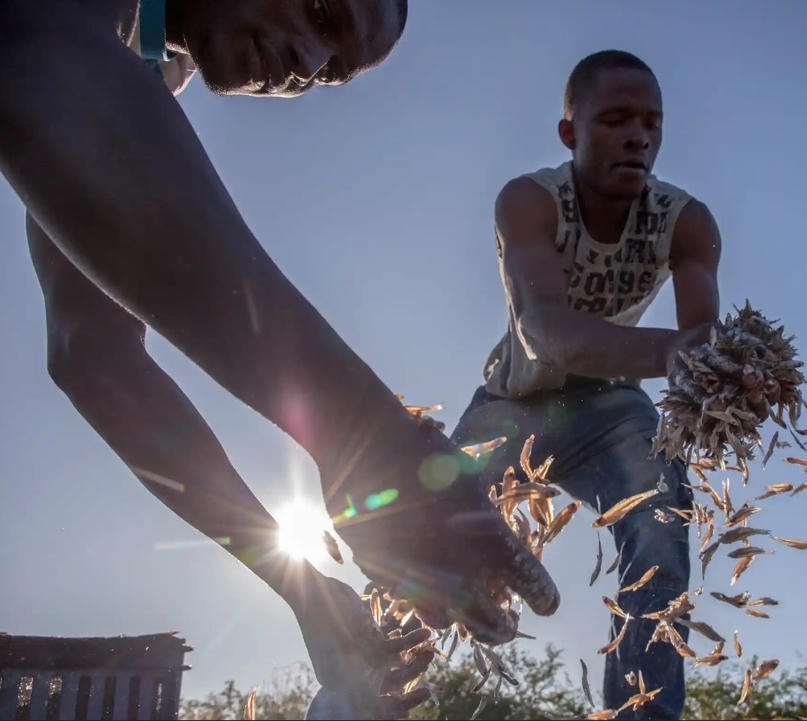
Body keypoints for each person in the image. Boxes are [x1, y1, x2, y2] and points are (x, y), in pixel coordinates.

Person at [0, 1, 558, 714]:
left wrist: (300, 586)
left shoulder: (139, 60)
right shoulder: (74, 40)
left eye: (335, 74)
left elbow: (91, 354)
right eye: (321, 10)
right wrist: (368, 436)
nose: (312, 64)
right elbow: (33, 45)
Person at [446, 49, 723, 719]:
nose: (639, 137)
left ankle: (642, 711)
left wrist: (724, 377)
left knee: (661, 530)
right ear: (570, 132)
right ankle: (363, 692)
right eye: (616, 120)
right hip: (515, 399)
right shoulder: (528, 201)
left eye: (652, 124)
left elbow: (704, 348)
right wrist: (679, 352)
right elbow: (544, 330)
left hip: (611, 408)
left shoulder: (686, 221)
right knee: (427, 529)